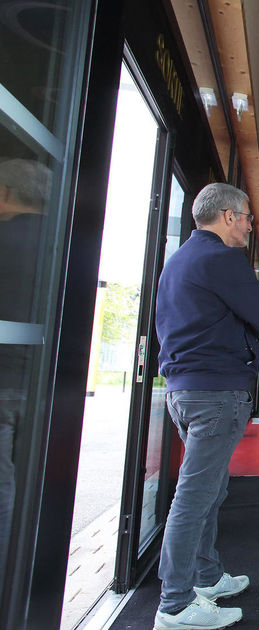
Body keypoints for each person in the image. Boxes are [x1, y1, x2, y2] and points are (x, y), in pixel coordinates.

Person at [153, 182, 259, 629]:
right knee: (195, 497)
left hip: (183, 391)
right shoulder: (223, 260)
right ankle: (174, 603)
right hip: (215, 393)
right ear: (227, 216)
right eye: (246, 216)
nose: (249, 224)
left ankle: (206, 578)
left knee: (210, 490)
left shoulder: (180, 260)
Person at [0, 159, 52, 586]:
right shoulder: (63, 247)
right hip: (40, 388)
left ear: (5, 193)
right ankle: (26, 577)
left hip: (2, 385)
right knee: (30, 487)